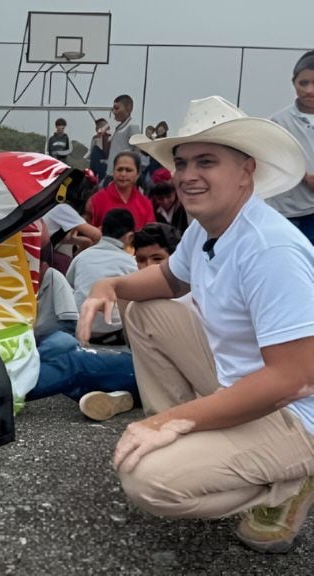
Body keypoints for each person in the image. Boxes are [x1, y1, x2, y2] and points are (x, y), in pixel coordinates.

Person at [77, 95, 314, 554]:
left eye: (207, 161)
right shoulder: (211, 227)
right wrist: (110, 283)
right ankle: (197, 439)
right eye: (182, 162)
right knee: (143, 309)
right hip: (246, 386)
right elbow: (168, 278)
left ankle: (289, 482)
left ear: (247, 169)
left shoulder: (269, 249)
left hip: (297, 416)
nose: (187, 175)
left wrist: (177, 418)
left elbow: (295, 378)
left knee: (148, 481)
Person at [28, 225, 138, 421]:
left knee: (67, 351)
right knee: (73, 365)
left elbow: (69, 326)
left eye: (157, 259)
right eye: (143, 260)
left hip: (150, 371)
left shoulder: (178, 295)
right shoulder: (133, 269)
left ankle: (1, 390)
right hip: (141, 368)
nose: (147, 267)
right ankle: (118, 397)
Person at [67, 208, 138, 345]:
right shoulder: (131, 263)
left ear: (100, 229)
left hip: (79, 328)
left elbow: (68, 287)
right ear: (130, 237)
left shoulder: (81, 257)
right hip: (114, 333)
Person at [267, 49, 314, 243]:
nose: (309, 90)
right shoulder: (279, 121)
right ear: (293, 83)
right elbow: (271, 157)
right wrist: (304, 177)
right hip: (288, 211)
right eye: (303, 83)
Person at [85, 151, 156, 231]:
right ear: (113, 172)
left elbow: (151, 237)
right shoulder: (95, 201)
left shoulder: (145, 204)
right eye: (119, 169)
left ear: (137, 174)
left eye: (128, 170)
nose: (123, 174)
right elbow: (85, 236)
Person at [102, 94, 141, 179]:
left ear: (129, 108)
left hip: (122, 175)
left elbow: (137, 151)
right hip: (111, 172)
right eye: (113, 109)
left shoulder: (132, 126)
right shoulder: (118, 127)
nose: (114, 112)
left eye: (117, 108)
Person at [149, 168, 189, 234]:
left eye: (168, 196)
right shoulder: (150, 209)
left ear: (175, 192)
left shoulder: (185, 207)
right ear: (154, 196)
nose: (165, 202)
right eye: (160, 198)